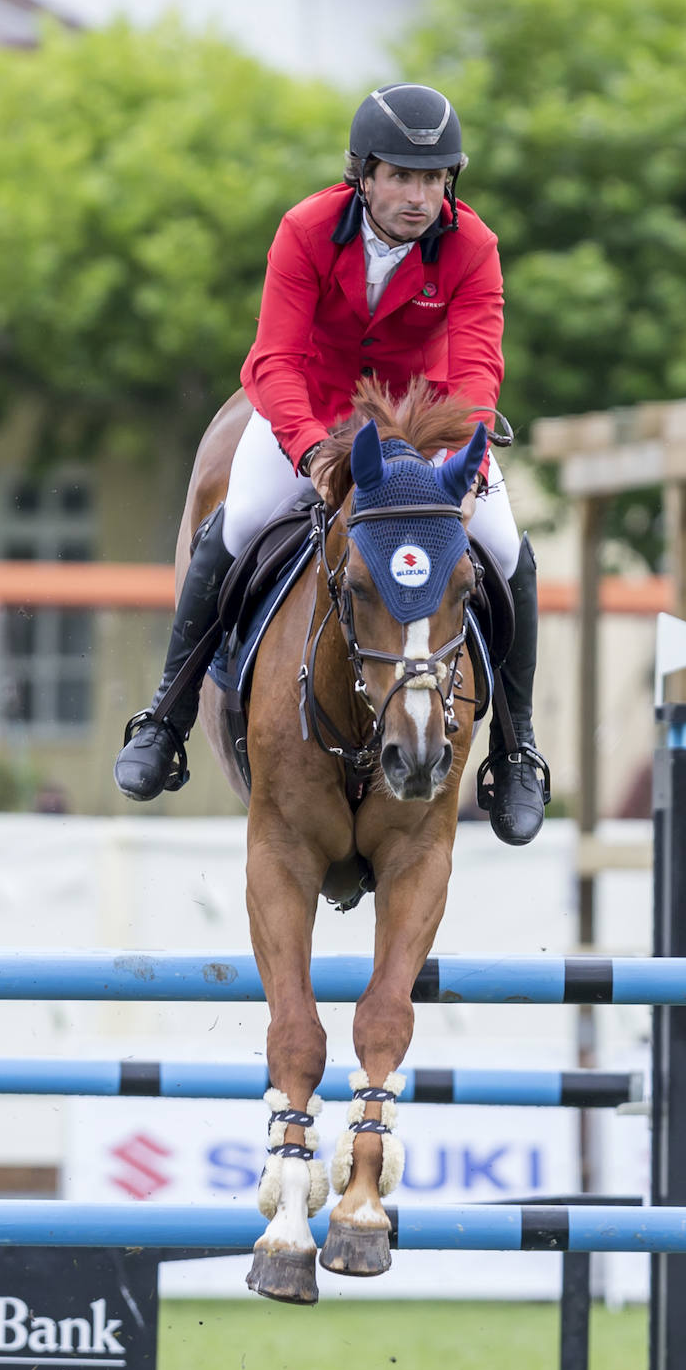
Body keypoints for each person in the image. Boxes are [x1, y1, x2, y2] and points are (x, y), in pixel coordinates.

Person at [114, 82, 548, 845]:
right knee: (239, 522)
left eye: (434, 179)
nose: (419, 196)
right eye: (402, 177)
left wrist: (471, 459)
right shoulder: (306, 230)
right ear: (364, 175)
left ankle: (516, 753)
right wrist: (312, 449)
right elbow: (277, 357)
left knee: (508, 551)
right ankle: (166, 718)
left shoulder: (472, 244)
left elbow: (478, 366)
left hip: (422, 423)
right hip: (308, 412)